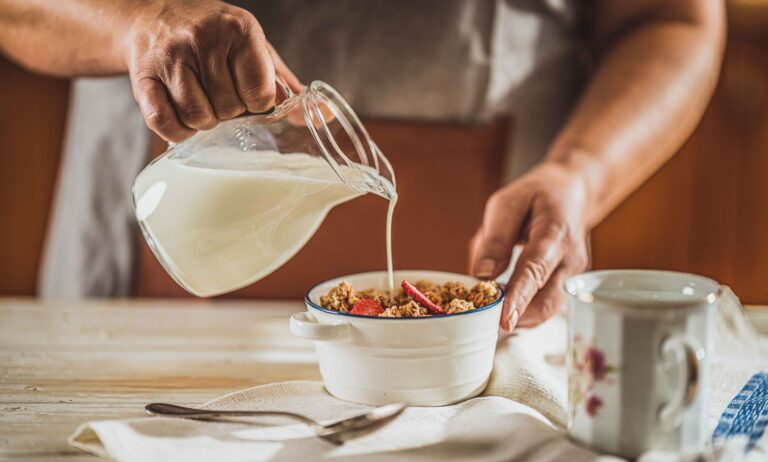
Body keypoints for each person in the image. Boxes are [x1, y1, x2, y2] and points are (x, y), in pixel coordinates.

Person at [0, 0, 724, 330]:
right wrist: (135, 22)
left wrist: (580, 171)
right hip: (140, 283)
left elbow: (673, 16)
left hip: (494, 261)